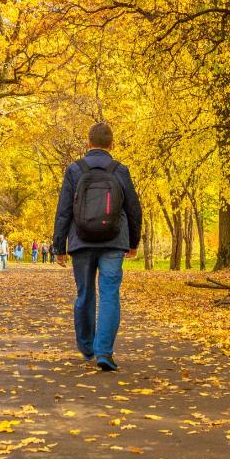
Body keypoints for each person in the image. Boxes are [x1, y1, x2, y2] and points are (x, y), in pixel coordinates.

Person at [52, 122, 142, 371]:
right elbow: (133, 208)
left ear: (88, 143)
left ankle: (86, 346)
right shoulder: (120, 170)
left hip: (81, 241)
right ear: (111, 144)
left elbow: (64, 211)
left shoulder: (74, 169)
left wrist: (59, 245)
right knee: (110, 294)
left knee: (85, 293)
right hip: (114, 241)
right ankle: (104, 352)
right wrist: (133, 242)